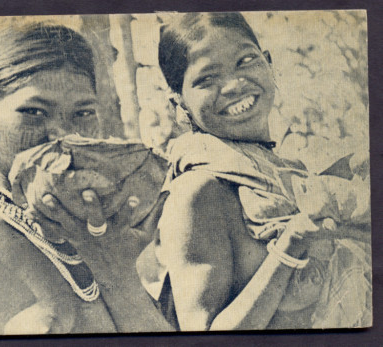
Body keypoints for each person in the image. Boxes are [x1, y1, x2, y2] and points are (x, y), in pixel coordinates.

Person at [0, 22, 172, 336]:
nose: (63, 134)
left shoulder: (108, 236)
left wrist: (117, 274)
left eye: (83, 113)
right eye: (34, 112)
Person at [136, 12, 371, 331]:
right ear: (180, 103)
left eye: (245, 60)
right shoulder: (200, 190)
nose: (234, 85)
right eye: (206, 79)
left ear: (268, 63)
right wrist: (292, 243)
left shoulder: (288, 175)